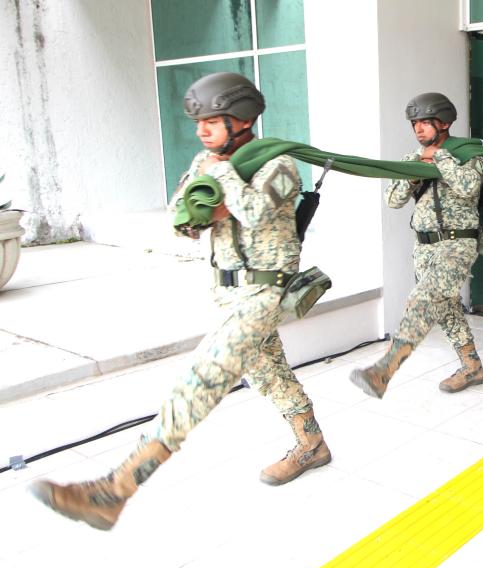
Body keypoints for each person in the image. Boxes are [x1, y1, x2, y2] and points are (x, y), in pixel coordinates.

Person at [29, 72, 331, 530]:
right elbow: (180, 216)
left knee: (201, 379)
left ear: (242, 119)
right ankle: (312, 444)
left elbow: (252, 212)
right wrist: (198, 212)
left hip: (264, 291)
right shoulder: (206, 161)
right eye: (199, 122)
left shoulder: (278, 166)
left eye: (212, 120)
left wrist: (222, 178)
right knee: (269, 375)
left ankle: (116, 489)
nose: (202, 130)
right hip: (228, 291)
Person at [350, 93, 483, 398]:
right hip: (424, 247)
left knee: (423, 300)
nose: (419, 129)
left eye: (425, 122)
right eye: (415, 123)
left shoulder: (467, 155)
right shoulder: (411, 159)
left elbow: (468, 189)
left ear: (445, 122)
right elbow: (393, 200)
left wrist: (439, 158)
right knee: (445, 309)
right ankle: (472, 367)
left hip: (457, 243)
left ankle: (384, 369)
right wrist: (413, 174)